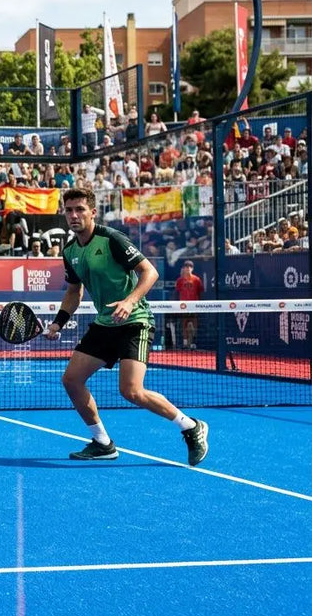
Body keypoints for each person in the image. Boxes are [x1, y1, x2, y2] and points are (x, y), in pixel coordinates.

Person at [45, 187, 208, 466]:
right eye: (69, 210)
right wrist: (58, 323)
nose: (74, 215)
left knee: (131, 391)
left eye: (80, 209)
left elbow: (150, 272)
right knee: (71, 379)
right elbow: (74, 292)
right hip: (104, 324)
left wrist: (130, 301)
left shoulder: (111, 239)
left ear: (93, 212)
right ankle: (102, 442)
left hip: (135, 321)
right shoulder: (70, 251)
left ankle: (191, 427)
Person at [174, 259, 204, 349]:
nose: (188, 269)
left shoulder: (197, 280)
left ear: (192, 268)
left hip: (194, 306)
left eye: (190, 267)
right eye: (186, 267)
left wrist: (199, 305)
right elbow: (177, 292)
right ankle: (185, 342)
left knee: (194, 323)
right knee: (184, 323)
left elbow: (200, 292)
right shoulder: (180, 280)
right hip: (183, 306)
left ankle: (193, 342)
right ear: (183, 268)